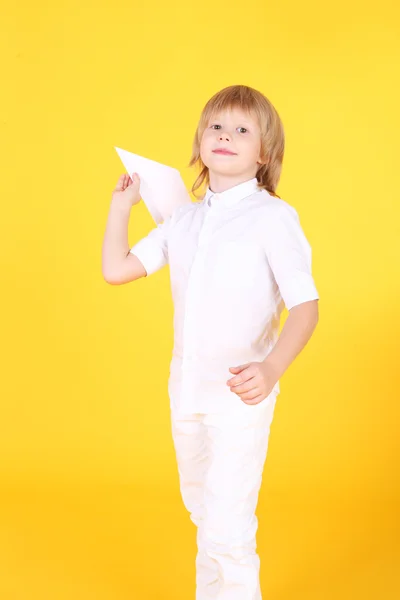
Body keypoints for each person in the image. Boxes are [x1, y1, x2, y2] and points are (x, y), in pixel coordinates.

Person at [102, 84, 320, 599]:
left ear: (264, 153)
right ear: (200, 142)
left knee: (227, 522)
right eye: (216, 127)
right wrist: (121, 206)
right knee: (204, 509)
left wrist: (271, 370)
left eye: (242, 130)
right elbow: (116, 270)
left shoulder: (272, 217)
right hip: (187, 391)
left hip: (242, 395)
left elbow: (306, 306)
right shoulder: (184, 220)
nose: (226, 136)